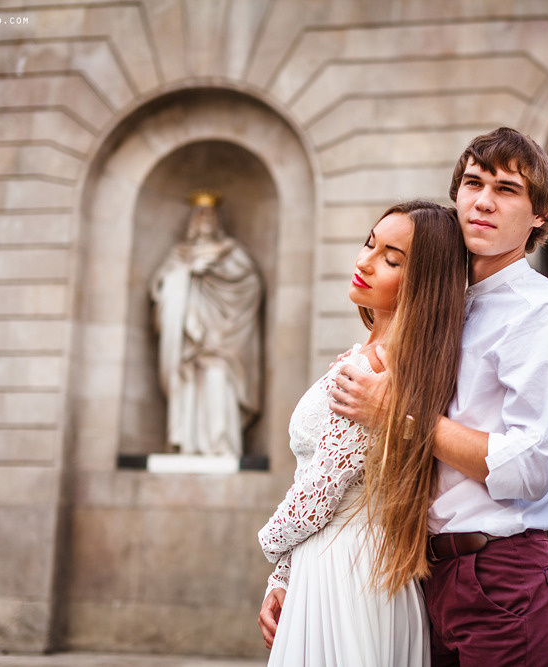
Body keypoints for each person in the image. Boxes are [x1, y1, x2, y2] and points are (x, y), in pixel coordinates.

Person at [331, 127, 548, 665]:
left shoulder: (542, 314)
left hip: (501, 576)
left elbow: (529, 466)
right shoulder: (448, 307)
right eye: (473, 183)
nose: (482, 201)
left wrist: (398, 415)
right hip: (425, 575)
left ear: (540, 214)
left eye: (506, 190)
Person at [257, 200, 467, 665]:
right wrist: (284, 576)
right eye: (369, 244)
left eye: (391, 259)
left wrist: (270, 545)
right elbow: (315, 475)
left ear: (422, 282)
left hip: (346, 571)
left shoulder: (378, 368)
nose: (364, 262)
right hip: (340, 564)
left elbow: (321, 488)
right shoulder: (376, 356)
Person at [149, 190, 263, 458]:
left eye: (210, 215)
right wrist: (185, 275)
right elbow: (158, 289)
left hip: (222, 337)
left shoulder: (231, 253)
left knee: (218, 379)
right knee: (188, 384)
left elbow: (251, 285)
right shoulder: (180, 255)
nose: (205, 220)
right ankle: (188, 445)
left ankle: (221, 445)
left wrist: (215, 271)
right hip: (188, 339)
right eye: (199, 216)